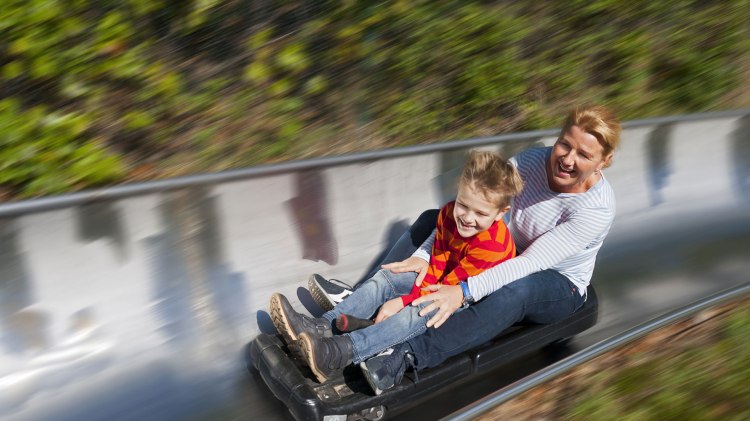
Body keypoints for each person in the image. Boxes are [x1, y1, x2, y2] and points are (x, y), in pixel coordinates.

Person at [345, 104, 621, 394]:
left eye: (584, 155)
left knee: (517, 290)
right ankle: (362, 300)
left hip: (556, 282)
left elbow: (527, 265)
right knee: (433, 218)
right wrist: (423, 255)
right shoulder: (530, 163)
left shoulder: (596, 209)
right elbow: (469, 205)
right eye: (565, 144)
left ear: (603, 161)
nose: (567, 159)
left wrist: (462, 292)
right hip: (507, 251)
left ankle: (405, 356)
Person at [269, 151, 524, 383]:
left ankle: (337, 353)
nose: (468, 218)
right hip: (444, 280)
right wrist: (408, 290)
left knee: (420, 312)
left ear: (501, 213)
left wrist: (403, 303)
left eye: (480, 213)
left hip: (468, 297)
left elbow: (449, 290)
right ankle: (322, 326)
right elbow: (439, 258)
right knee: (389, 277)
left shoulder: (492, 246)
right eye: (463, 205)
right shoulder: (448, 213)